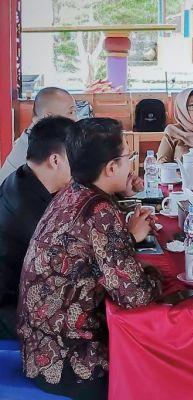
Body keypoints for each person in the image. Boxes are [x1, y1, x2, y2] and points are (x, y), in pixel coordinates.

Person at [17, 118, 162, 400]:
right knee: (161, 364)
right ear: (111, 168)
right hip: (70, 362)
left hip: (36, 349)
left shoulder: (72, 192)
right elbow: (135, 297)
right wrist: (156, 276)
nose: (131, 165)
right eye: (128, 158)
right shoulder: (99, 211)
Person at [0, 117, 74, 339]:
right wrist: (128, 236)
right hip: (12, 312)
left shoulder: (22, 177)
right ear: (55, 160)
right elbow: (72, 264)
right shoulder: (27, 208)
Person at [0, 87, 77, 184]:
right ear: (48, 116)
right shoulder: (38, 142)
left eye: (75, 112)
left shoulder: (41, 133)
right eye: (70, 112)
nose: (75, 119)